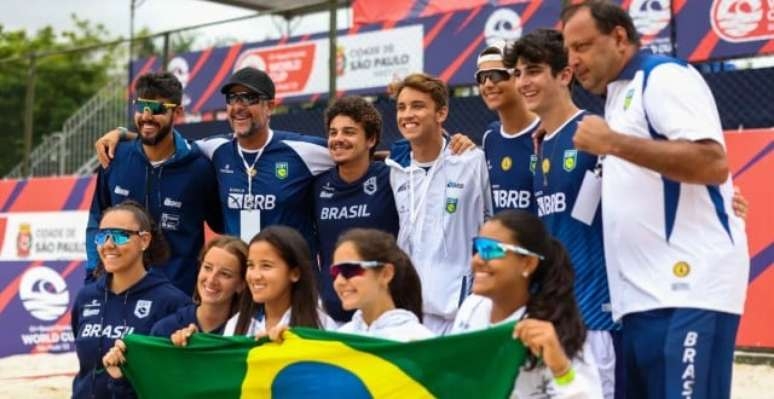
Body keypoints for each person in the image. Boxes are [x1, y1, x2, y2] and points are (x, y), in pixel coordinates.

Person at [561, 2, 749, 398]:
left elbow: (713, 163)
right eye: (569, 50)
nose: (574, 60)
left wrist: (612, 143)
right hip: (640, 301)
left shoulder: (664, 77)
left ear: (619, 37)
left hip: (688, 289)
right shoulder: (618, 96)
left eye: (583, 46)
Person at [505, 28, 618, 398]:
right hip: (560, 313)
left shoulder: (593, 132)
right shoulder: (540, 143)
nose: (523, 82)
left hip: (600, 315)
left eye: (534, 70)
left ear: (565, 74)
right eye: (518, 73)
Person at [85, 71, 223, 296]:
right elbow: (96, 221)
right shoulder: (115, 158)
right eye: (141, 107)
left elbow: (224, 225)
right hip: (119, 294)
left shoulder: (199, 167)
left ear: (177, 112)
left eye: (158, 109)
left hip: (177, 298)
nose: (147, 116)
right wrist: (93, 275)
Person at [451, 210, 602, 398]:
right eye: (477, 248)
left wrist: (561, 368)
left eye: (490, 249)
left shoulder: (554, 328)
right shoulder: (472, 308)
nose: (477, 260)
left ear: (528, 263)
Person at [386, 73, 493, 334]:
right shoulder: (396, 168)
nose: (407, 114)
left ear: (441, 113)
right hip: (409, 312)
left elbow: (489, 225)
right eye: (401, 107)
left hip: (457, 311)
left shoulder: (470, 161)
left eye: (417, 106)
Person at [72, 200, 191, 399]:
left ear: (144, 240)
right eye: (102, 236)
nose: (108, 244)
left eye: (119, 236)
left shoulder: (172, 302)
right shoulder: (87, 297)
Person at [312, 97, 400, 323]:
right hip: (332, 312)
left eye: (349, 132)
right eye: (333, 132)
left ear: (371, 139)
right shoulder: (317, 185)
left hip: (381, 314)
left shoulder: (391, 178)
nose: (338, 139)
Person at [222, 225, 336, 336]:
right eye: (250, 265)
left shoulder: (323, 326)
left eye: (266, 266)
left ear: (295, 273)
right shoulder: (235, 325)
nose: (255, 276)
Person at [332, 228, 434, 341]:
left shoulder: (419, 342)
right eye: (335, 272)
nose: (339, 281)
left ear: (386, 274)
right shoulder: (338, 340)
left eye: (349, 270)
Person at [477, 44, 541, 213]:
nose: (488, 84)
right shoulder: (490, 137)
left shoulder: (546, 132)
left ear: (518, 77)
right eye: (481, 78)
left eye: (496, 75)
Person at [150, 235, 247, 339]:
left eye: (224, 274)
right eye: (207, 268)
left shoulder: (250, 332)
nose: (211, 280)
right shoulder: (165, 330)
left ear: (241, 285)